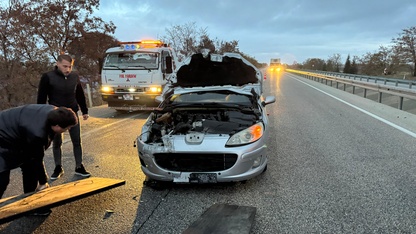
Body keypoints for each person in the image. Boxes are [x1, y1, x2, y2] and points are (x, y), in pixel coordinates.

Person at [0, 104, 78, 198]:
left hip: (17, 134)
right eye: (66, 128)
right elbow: (37, 158)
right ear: (57, 125)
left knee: (30, 167)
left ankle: (29, 201)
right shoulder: (37, 133)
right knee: (2, 179)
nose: (67, 130)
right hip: (3, 136)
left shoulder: (54, 113)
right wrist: (43, 182)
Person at [37, 54, 91, 180]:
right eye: (65, 66)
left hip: (72, 113)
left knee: (77, 141)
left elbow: (79, 94)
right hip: (56, 115)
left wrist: (84, 111)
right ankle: (58, 167)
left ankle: (79, 166)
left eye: (70, 66)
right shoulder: (48, 77)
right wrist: (40, 114)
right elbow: (41, 97)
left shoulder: (74, 76)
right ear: (58, 64)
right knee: (57, 143)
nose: (67, 69)